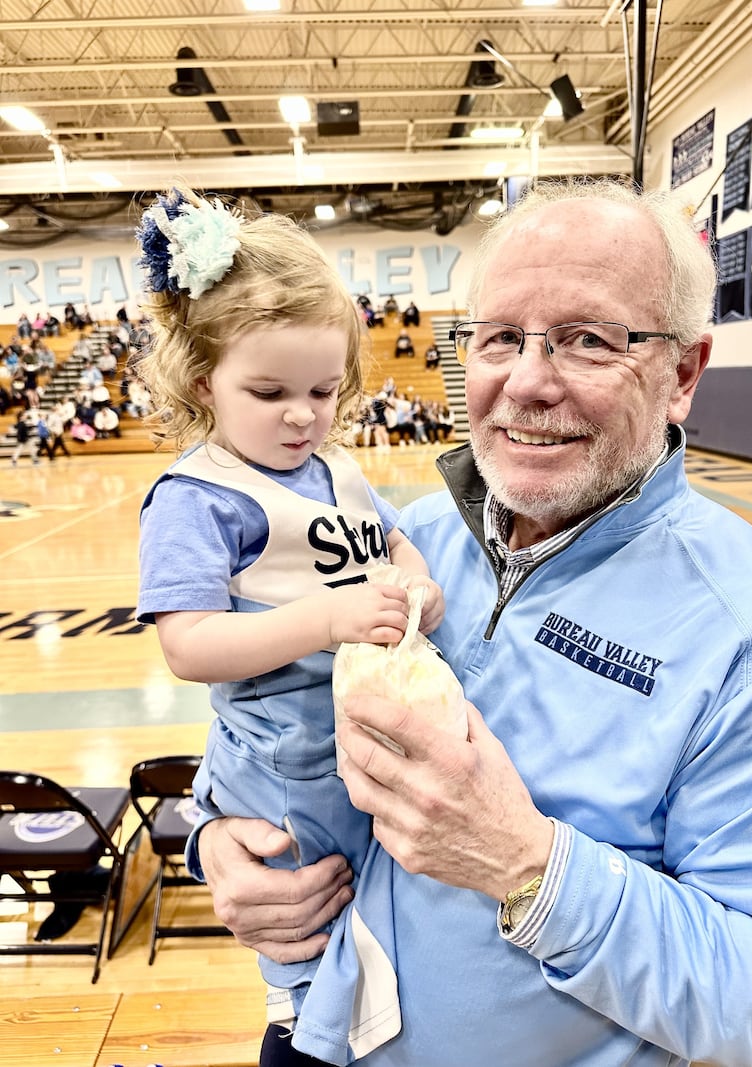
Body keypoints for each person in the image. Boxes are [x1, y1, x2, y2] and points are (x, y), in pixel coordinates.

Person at [190, 178, 752, 1067]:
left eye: (589, 340)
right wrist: (218, 832)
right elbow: (266, 709)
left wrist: (528, 866)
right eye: (501, 337)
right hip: (316, 1031)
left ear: (684, 373)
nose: (527, 381)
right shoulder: (404, 540)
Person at [135, 187, 445, 1063]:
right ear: (204, 380)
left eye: (323, 389)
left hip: (351, 732)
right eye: (268, 391)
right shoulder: (197, 496)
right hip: (280, 763)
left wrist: (418, 591)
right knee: (312, 927)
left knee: (384, 903)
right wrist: (325, 617)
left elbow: (397, 543)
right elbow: (188, 644)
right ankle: (304, 1023)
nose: (303, 414)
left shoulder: (338, 467)